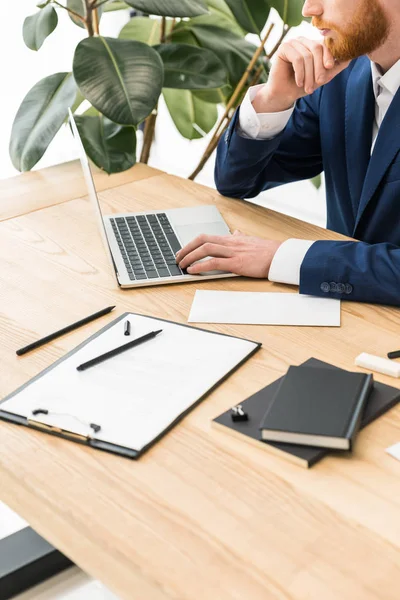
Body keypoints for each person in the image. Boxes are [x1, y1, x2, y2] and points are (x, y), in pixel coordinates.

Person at [175, 0, 400, 306]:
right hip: (336, 312)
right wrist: (274, 98)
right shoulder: (344, 74)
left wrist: (282, 257)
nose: (309, 9)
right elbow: (237, 181)